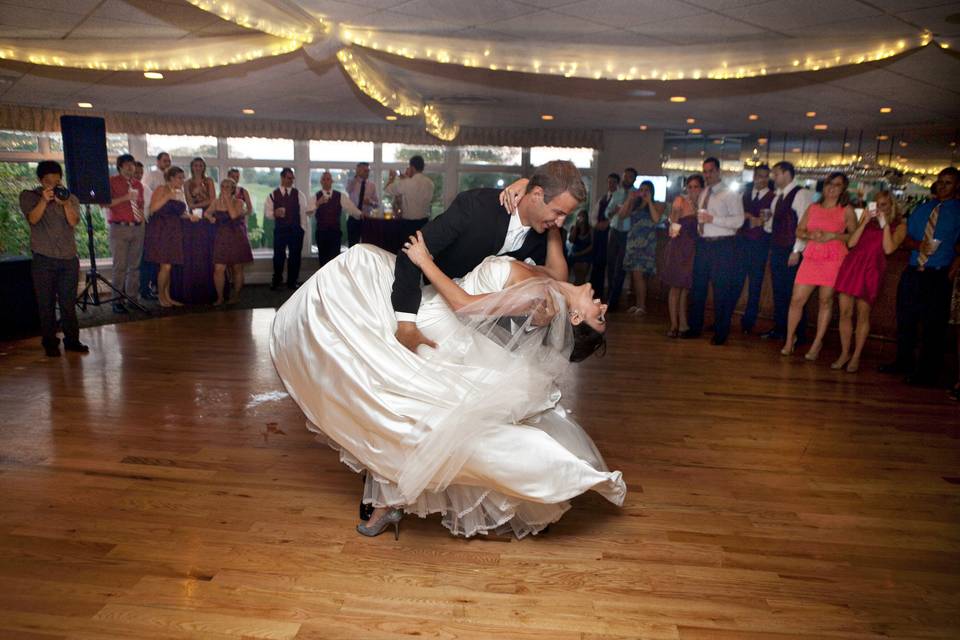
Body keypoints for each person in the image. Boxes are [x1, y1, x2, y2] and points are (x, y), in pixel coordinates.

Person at [270, 234, 622, 539]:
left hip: (441, 328)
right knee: (405, 413)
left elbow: (465, 306)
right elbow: (556, 250)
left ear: (574, 318)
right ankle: (384, 503)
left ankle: (384, 503)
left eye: (599, 315)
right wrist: (551, 220)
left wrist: (424, 261)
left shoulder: (542, 298)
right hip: (444, 323)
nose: (603, 305)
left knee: (409, 417)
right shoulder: (555, 282)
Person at [393, 161, 579, 355]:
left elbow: (528, 297)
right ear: (537, 194)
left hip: (485, 340)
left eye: (566, 215)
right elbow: (412, 250)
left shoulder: (545, 240)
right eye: (558, 212)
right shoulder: (476, 206)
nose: (561, 222)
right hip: (438, 309)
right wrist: (406, 326)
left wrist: (534, 320)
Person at [879, 167, 960, 386]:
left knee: (933, 326)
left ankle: (927, 372)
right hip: (914, 270)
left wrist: (953, 269)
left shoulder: (958, 212)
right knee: (906, 319)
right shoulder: (923, 208)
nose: (942, 186)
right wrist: (918, 245)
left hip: (938, 274)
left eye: (948, 183)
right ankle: (903, 361)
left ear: (957, 186)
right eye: (940, 182)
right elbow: (906, 239)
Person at [782, 172, 857, 359]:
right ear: (824, 186)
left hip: (834, 257)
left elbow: (855, 237)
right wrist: (809, 235)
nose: (832, 188)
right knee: (796, 299)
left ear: (843, 189)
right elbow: (799, 230)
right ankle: (789, 340)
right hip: (812, 256)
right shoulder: (813, 207)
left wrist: (834, 236)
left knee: (825, 301)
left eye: (837, 185)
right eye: (829, 184)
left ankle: (817, 343)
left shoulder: (846, 210)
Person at [19, 160, 88, 357]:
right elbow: (33, 219)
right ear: (41, 181)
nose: (54, 185)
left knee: (68, 303)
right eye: (49, 182)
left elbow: (73, 221)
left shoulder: (69, 197)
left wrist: (65, 204)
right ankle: (50, 342)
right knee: (46, 303)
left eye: (57, 181)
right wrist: (44, 200)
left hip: (68, 259)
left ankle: (72, 340)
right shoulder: (29, 196)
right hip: (43, 259)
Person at [832, 191, 906, 373]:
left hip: (872, 270)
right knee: (844, 312)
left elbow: (888, 249)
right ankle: (844, 353)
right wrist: (864, 222)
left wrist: (885, 225)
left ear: (891, 206)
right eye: (876, 204)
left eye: (884, 205)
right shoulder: (866, 221)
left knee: (863, 314)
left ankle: (856, 356)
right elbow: (851, 244)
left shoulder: (899, 226)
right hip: (853, 266)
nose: (879, 208)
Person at [682, 157, 745, 346]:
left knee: (721, 291)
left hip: (722, 245)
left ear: (718, 171)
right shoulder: (705, 192)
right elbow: (701, 217)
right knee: (698, 288)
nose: (707, 175)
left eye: (710, 171)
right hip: (704, 244)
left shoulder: (730, 194)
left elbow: (738, 221)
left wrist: (713, 219)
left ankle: (721, 332)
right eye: (705, 172)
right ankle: (695, 328)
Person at [763, 161, 812, 342]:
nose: (773, 178)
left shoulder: (801, 194)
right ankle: (781, 329)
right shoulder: (778, 197)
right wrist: (767, 223)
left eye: (776, 174)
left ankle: (797, 333)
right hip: (777, 248)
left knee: (794, 294)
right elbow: (773, 225)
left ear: (786, 174)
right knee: (779, 291)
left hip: (791, 249)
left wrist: (797, 250)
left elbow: (804, 225)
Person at [736, 164, 776, 334]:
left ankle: (748, 323)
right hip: (741, 244)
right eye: (759, 175)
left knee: (755, 286)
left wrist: (765, 221)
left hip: (760, 246)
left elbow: (775, 224)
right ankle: (723, 319)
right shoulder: (743, 195)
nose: (762, 179)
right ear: (753, 176)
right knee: (734, 282)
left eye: (765, 176)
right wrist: (742, 216)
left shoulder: (773, 198)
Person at [661, 174, 702, 337]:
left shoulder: (703, 204)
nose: (692, 190)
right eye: (690, 186)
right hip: (679, 247)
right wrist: (674, 220)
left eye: (696, 186)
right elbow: (673, 225)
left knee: (685, 288)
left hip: (694, 249)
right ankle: (673, 325)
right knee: (675, 286)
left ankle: (683, 324)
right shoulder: (680, 200)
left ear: (701, 188)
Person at [106, 153, 145, 314]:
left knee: (135, 266)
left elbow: (140, 204)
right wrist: (125, 197)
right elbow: (105, 203)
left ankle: (132, 299)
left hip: (137, 227)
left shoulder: (138, 184)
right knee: (120, 266)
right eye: (127, 165)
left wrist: (141, 216)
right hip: (119, 228)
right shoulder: (111, 182)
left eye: (133, 165)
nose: (131, 167)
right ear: (120, 166)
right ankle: (117, 301)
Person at [265, 167, 313, 290]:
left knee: (295, 257)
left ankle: (292, 282)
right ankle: (276, 281)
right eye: (288, 178)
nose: (291, 180)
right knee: (278, 257)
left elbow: (303, 213)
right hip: (280, 230)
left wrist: (302, 228)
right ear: (282, 178)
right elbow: (267, 213)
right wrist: (275, 213)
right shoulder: (272, 194)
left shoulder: (299, 194)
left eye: (292, 178)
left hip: (296, 230)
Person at [146, 166, 187, 308]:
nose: (182, 180)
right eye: (179, 177)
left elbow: (181, 212)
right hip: (161, 230)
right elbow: (152, 209)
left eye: (183, 177)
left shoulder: (180, 192)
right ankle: (161, 297)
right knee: (166, 266)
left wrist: (190, 216)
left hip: (174, 230)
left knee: (169, 265)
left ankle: (168, 297)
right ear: (170, 178)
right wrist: (167, 197)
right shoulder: (161, 189)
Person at [207, 178, 253, 306]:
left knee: (237, 267)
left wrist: (227, 200)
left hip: (236, 236)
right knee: (218, 268)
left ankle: (236, 296)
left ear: (233, 189)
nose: (225, 188)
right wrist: (210, 217)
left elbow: (233, 215)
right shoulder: (216, 202)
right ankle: (220, 297)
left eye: (228, 186)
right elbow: (206, 213)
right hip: (221, 237)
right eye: (223, 186)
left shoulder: (239, 202)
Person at [622, 180, 664, 315]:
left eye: (647, 190)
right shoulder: (635, 205)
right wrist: (629, 199)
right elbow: (621, 215)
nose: (644, 192)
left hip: (646, 244)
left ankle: (642, 306)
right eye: (642, 189)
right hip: (633, 243)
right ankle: (638, 304)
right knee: (635, 275)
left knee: (639, 275)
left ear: (651, 192)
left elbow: (657, 219)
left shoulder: (657, 204)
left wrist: (649, 202)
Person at [138, 152, 171, 302]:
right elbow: (149, 203)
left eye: (169, 160)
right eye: (164, 160)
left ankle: (156, 287)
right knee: (148, 257)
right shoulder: (151, 176)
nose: (167, 162)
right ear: (157, 161)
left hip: (165, 223)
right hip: (150, 221)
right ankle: (144, 288)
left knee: (158, 259)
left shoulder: (170, 177)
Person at [313, 170, 362, 268]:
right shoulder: (316, 196)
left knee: (334, 260)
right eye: (324, 179)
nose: (326, 181)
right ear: (321, 182)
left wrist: (361, 214)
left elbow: (351, 208)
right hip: (321, 233)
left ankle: (333, 282)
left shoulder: (340, 196)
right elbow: (308, 212)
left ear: (332, 181)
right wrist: (318, 203)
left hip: (335, 233)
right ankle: (323, 282)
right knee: (323, 260)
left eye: (328, 179)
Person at [606, 168, 637, 310]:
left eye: (630, 176)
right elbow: (607, 212)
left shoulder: (637, 194)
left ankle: (613, 301)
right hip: (614, 231)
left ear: (634, 179)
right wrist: (614, 211)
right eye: (625, 175)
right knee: (611, 265)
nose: (627, 178)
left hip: (627, 233)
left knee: (620, 268)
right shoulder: (617, 193)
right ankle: (609, 297)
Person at [385, 155, 434, 239]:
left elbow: (387, 189)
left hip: (408, 224)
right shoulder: (430, 183)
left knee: (407, 249)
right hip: (425, 223)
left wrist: (391, 177)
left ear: (412, 167)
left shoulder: (407, 183)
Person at [590, 172, 620, 298]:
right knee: (597, 263)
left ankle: (610, 295)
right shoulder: (602, 198)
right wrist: (597, 225)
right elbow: (593, 217)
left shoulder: (619, 199)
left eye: (613, 182)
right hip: (599, 235)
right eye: (609, 182)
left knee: (611, 266)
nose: (610, 184)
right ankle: (596, 291)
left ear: (617, 184)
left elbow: (618, 216)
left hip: (612, 234)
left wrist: (607, 223)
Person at [346, 162, 378, 247]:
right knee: (352, 245)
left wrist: (370, 202)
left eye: (368, 170)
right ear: (358, 170)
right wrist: (356, 176)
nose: (367, 172)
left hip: (367, 219)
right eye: (365, 170)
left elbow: (376, 204)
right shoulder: (351, 182)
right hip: (353, 218)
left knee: (367, 245)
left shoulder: (372, 185)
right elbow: (348, 189)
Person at [567, 209, 593, 285]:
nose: (580, 218)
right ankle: (576, 291)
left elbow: (592, 245)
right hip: (575, 253)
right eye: (579, 216)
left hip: (586, 253)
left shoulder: (590, 229)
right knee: (577, 275)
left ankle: (581, 290)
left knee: (583, 275)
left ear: (586, 218)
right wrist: (576, 226)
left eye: (582, 216)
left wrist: (581, 253)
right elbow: (571, 240)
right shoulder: (573, 227)